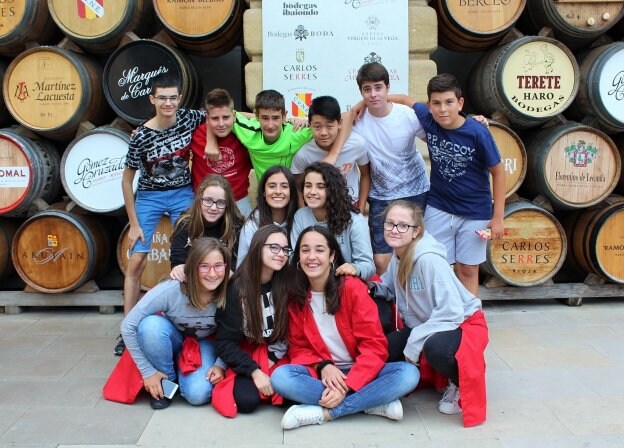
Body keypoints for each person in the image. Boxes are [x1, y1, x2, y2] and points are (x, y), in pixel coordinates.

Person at [270, 226, 419, 430]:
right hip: (324, 374)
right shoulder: (296, 296)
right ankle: (372, 403)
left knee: (408, 374)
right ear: (298, 257)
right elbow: (298, 347)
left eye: (320, 250)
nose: (311, 257)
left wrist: (348, 384)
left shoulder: (351, 287)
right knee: (281, 377)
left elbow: (374, 345)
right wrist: (324, 366)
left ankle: (325, 413)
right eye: (305, 250)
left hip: (362, 370)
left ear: (332, 256)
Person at [371, 200, 489, 427]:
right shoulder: (398, 254)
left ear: (417, 231)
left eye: (403, 225)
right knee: (383, 348)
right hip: (428, 323)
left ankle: (456, 382)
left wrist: (415, 341)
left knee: (435, 348)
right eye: (390, 224)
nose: (395, 230)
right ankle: (388, 388)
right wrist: (365, 286)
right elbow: (388, 287)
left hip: (461, 324)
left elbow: (452, 312)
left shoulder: (429, 259)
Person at [389, 73, 505, 296]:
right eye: (437, 103)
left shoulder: (477, 132)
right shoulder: (429, 119)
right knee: (435, 264)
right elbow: (404, 99)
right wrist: (362, 105)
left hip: (474, 212)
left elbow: (498, 172)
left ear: (460, 103)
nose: (443, 109)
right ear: (429, 105)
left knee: (468, 269)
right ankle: (441, 314)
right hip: (439, 207)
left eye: (449, 102)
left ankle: (469, 322)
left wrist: (498, 217)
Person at [118, 73, 207, 356]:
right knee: (137, 261)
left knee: (195, 250)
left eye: (173, 98)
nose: (168, 103)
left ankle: (193, 315)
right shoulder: (141, 135)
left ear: (179, 99)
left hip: (182, 191)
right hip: (149, 196)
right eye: (162, 98)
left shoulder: (189, 117)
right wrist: (133, 224)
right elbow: (126, 180)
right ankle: (127, 327)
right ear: (152, 99)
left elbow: (224, 114)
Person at [120, 237, 230, 410]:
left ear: (226, 267)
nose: (212, 274)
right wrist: (147, 372)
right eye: (204, 266)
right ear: (192, 267)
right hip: (173, 338)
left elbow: (236, 331)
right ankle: (167, 381)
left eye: (218, 266)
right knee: (151, 326)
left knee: (198, 394)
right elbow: (127, 326)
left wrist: (220, 364)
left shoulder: (231, 290)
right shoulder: (171, 289)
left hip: (206, 343)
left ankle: (184, 375)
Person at [351, 62, 430, 275]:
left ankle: (411, 304)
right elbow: (327, 126)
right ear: (361, 92)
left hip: (416, 191)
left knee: (414, 255)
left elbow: (441, 133)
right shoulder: (356, 120)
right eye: (367, 90)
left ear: (387, 87)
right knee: (381, 261)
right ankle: (392, 305)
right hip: (381, 195)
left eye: (378, 87)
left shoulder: (407, 115)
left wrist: (474, 120)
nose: (373, 94)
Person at [214, 224, 291, 415]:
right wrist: (254, 371)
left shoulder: (288, 282)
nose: (281, 253)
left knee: (289, 396)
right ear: (257, 247)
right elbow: (225, 342)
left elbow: (295, 329)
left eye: (285, 249)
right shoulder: (236, 289)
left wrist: (273, 357)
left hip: (280, 350)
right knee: (246, 401)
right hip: (249, 351)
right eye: (274, 247)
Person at [204, 89, 348, 181]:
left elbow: (346, 118)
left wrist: (333, 155)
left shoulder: (295, 133)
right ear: (256, 116)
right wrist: (211, 141)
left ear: (284, 116)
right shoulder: (247, 131)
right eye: (265, 118)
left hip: (290, 192)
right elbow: (218, 113)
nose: (270, 125)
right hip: (265, 193)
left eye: (276, 118)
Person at [290, 162, 375, 280]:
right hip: (310, 282)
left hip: (343, 283)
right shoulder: (300, 216)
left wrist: (355, 268)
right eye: (308, 185)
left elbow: (368, 266)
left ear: (333, 190)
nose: (312, 192)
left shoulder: (354, 220)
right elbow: (294, 258)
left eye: (320, 186)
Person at [291, 96, 370, 212]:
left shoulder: (357, 144)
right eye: (317, 127)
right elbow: (298, 186)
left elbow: (365, 175)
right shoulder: (303, 154)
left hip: (350, 205)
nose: (323, 133)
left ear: (339, 123)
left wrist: (361, 208)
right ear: (309, 124)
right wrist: (303, 212)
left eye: (329, 126)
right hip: (317, 210)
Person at [189, 88, 253, 217]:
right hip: (204, 202)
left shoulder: (245, 133)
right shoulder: (195, 133)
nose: (221, 124)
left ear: (234, 116)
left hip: (238, 201)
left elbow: (266, 118)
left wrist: (296, 121)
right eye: (215, 118)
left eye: (225, 117)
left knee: (249, 234)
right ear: (207, 118)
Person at [170, 174, 244, 281]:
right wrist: (178, 268)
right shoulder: (185, 223)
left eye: (220, 202)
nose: (213, 208)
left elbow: (236, 265)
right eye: (208, 200)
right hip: (193, 279)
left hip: (223, 281)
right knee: (175, 280)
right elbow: (178, 261)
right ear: (200, 200)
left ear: (227, 205)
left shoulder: (235, 226)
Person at [236, 165, 298, 265]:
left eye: (284, 186)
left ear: (291, 192)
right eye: (272, 186)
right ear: (264, 192)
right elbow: (242, 268)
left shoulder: (298, 221)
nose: (278, 191)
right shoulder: (252, 226)